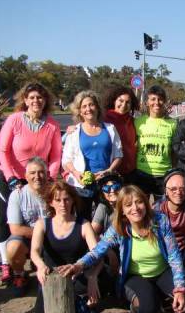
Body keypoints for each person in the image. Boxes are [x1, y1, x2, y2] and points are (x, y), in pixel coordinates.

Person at [58, 185, 185, 313]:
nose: (135, 208)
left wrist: (179, 288)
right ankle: (142, 311)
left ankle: (163, 307)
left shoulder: (160, 220)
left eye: (139, 202)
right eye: (128, 205)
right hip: (135, 276)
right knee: (147, 307)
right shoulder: (120, 227)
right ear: (122, 210)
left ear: (145, 203)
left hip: (161, 270)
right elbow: (98, 251)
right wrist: (79, 265)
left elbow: (174, 255)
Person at [0, 82, 62, 285]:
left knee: (42, 216)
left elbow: (56, 155)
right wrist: (11, 177)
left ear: (45, 101)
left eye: (40, 98)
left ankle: (37, 256)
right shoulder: (14, 120)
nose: (36, 101)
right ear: (25, 100)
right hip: (12, 177)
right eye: (32, 97)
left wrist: (50, 177)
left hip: (38, 178)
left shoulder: (52, 124)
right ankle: (8, 263)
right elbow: (3, 151)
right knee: (7, 223)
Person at [30, 181, 107, 313]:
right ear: (51, 202)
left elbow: (97, 254)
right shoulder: (42, 224)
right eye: (58, 200)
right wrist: (39, 265)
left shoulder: (83, 225)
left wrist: (92, 276)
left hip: (77, 278)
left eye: (66, 199)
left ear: (73, 200)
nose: (63, 204)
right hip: (50, 279)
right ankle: (80, 310)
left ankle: (82, 310)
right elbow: (34, 251)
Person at [62, 90, 123, 220]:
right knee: (83, 221)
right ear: (79, 111)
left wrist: (109, 170)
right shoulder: (74, 132)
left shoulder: (110, 129)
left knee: (109, 219)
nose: (88, 109)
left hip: (106, 184)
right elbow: (66, 159)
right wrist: (76, 173)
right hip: (82, 185)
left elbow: (119, 155)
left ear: (97, 107)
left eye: (91, 105)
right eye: (84, 106)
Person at [153, 169, 185, 304]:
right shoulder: (157, 209)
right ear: (166, 191)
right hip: (163, 257)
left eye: (182, 188)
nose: (178, 192)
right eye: (173, 189)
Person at [6, 157, 49, 296]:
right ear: (25, 176)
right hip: (30, 237)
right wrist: (39, 234)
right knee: (13, 247)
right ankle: (19, 274)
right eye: (32, 173)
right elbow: (15, 229)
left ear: (47, 174)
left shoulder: (55, 191)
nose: (37, 176)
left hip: (51, 236)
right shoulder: (17, 195)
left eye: (41, 172)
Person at [134, 85, 177, 198]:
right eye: (153, 99)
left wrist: (174, 172)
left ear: (164, 101)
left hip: (164, 174)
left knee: (162, 210)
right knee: (141, 211)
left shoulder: (173, 124)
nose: (156, 102)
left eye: (160, 99)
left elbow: (174, 151)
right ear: (147, 102)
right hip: (142, 173)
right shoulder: (138, 122)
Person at [102, 86, 139, 184]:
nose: (124, 104)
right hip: (112, 171)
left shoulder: (132, 121)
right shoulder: (103, 119)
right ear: (114, 101)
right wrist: (72, 129)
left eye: (128, 102)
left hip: (131, 171)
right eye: (121, 101)